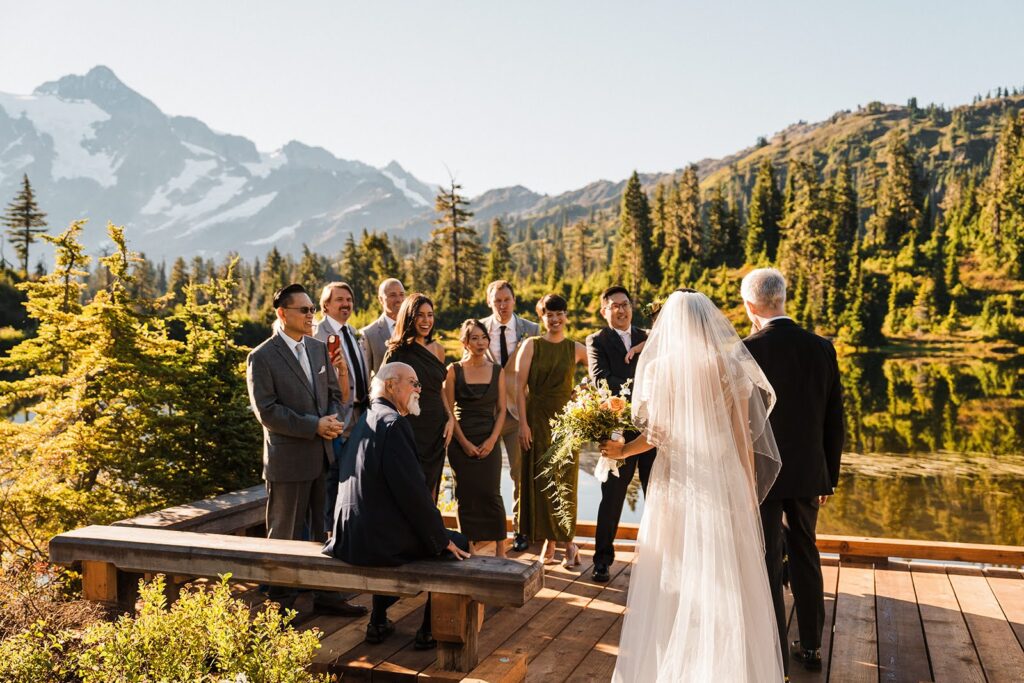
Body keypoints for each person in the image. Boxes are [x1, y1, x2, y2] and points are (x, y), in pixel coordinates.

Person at [601, 289, 785, 682]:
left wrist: (622, 452)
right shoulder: (731, 366)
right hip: (724, 478)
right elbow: (742, 435)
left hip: (679, 482)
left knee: (676, 572)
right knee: (726, 577)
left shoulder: (659, 367)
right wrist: (747, 488)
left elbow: (656, 435)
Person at [323, 362, 471, 647]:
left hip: (348, 538)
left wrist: (332, 527)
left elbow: (336, 476)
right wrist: (441, 540)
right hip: (376, 544)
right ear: (391, 385)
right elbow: (414, 494)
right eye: (413, 383)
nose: (419, 389)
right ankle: (430, 631)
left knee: (401, 530)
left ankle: (378, 621)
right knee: (458, 543)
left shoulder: (365, 419)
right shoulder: (394, 423)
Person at [741, 268, 844, 676]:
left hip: (761, 475)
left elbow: (742, 424)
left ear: (751, 306)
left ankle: (773, 650)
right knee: (805, 550)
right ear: (782, 298)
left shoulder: (744, 351)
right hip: (807, 473)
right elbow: (834, 419)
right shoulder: (822, 348)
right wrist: (827, 477)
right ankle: (814, 645)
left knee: (767, 557)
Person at [246, 284, 360, 615]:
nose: (312, 315)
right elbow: (267, 412)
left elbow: (334, 397)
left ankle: (325, 592)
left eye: (313, 309)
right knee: (284, 532)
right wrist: (314, 425)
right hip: (288, 460)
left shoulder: (317, 349)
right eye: (305, 310)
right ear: (283, 313)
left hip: (324, 456)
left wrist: (335, 421)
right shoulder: (262, 356)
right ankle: (280, 601)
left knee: (325, 530)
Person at [586, 285, 656, 583]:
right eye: (615, 306)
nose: (622, 309)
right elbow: (602, 380)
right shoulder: (597, 341)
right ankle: (602, 560)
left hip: (654, 429)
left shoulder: (649, 336)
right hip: (617, 431)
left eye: (625, 304)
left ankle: (660, 561)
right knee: (612, 497)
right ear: (605, 311)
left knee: (657, 495)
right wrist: (643, 385)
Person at [515, 293, 588, 566]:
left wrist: (581, 391)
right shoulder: (531, 345)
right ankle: (550, 541)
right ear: (542, 317)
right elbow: (519, 387)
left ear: (566, 316)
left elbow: (597, 376)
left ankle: (568, 544)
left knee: (564, 482)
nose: (555, 319)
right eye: (549, 314)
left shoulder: (576, 348)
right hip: (536, 420)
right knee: (542, 482)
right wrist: (522, 424)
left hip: (567, 423)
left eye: (559, 314)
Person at [479, 280, 539, 553]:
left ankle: (521, 531)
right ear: (489, 303)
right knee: (488, 477)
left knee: (519, 474)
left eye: (507, 300)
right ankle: (490, 532)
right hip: (488, 415)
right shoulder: (478, 329)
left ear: (514, 300)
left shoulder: (532, 330)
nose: (502, 306)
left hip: (518, 414)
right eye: (497, 301)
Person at [380, 293, 455, 497]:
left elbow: (439, 388)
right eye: (420, 315)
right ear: (409, 317)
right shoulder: (396, 351)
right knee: (409, 489)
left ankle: (428, 530)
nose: (426, 321)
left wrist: (450, 418)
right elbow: (382, 393)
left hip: (436, 429)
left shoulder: (437, 349)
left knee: (431, 490)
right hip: (409, 430)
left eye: (430, 315)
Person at [444, 320, 508, 557]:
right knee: (465, 494)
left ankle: (501, 548)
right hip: (461, 439)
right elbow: (449, 412)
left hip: (489, 436)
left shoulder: (497, 370)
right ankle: (467, 546)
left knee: (491, 493)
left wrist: (492, 440)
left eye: (484, 337)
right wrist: (464, 443)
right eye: (474, 338)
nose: (480, 343)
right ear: (465, 342)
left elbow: (501, 410)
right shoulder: (453, 371)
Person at [361, 278, 406, 376]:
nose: (399, 300)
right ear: (380, 299)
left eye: (402, 294)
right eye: (392, 295)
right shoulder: (368, 334)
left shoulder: (414, 327)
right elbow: (366, 375)